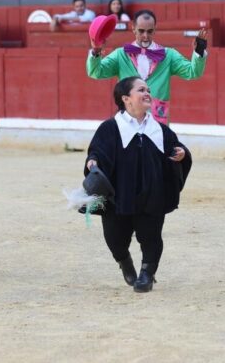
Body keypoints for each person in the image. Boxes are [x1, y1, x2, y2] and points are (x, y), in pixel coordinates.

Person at [83, 76, 192, 292]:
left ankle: (147, 273)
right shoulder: (110, 128)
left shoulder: (160, 130)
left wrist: (182, 153)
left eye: (148, 89)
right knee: (115, 238)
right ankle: (124, 261)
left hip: (151, 194)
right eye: (141, 90)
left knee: (151, 236)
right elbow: (96, 152)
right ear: (126, 99)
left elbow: (176, 148)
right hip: (117, 196)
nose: (147, 93)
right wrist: (92, 161)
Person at [87, 9, 208, 123]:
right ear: (133, 29)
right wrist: (96, 52)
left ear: (155, 29)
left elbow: (193, 72)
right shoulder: (121, 55)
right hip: (128, 118)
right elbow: (96, 72)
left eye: (149, 31)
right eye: (141, 31)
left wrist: (199, 52)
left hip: (157, 119)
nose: (145, 36)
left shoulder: (168, 55)